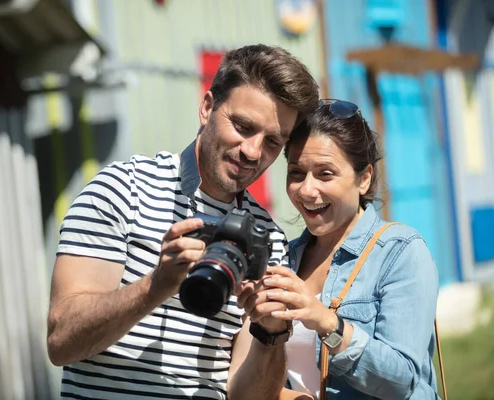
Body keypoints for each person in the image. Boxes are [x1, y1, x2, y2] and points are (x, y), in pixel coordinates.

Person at [46, 44, 320, 400]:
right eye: (242, 126)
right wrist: (155, 287)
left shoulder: (268, 239)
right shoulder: (121, 191)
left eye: (271, 142)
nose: (252, 152)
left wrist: (270, 336)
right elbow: (60, 343)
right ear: (207, 108)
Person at [256, 100, 440, 399]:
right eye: (296, 172)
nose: (306, 190)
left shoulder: (400, 252)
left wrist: (328, 324)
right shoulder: (283, 259)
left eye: (325, 174)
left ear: (364, 178)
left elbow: (402, 381)